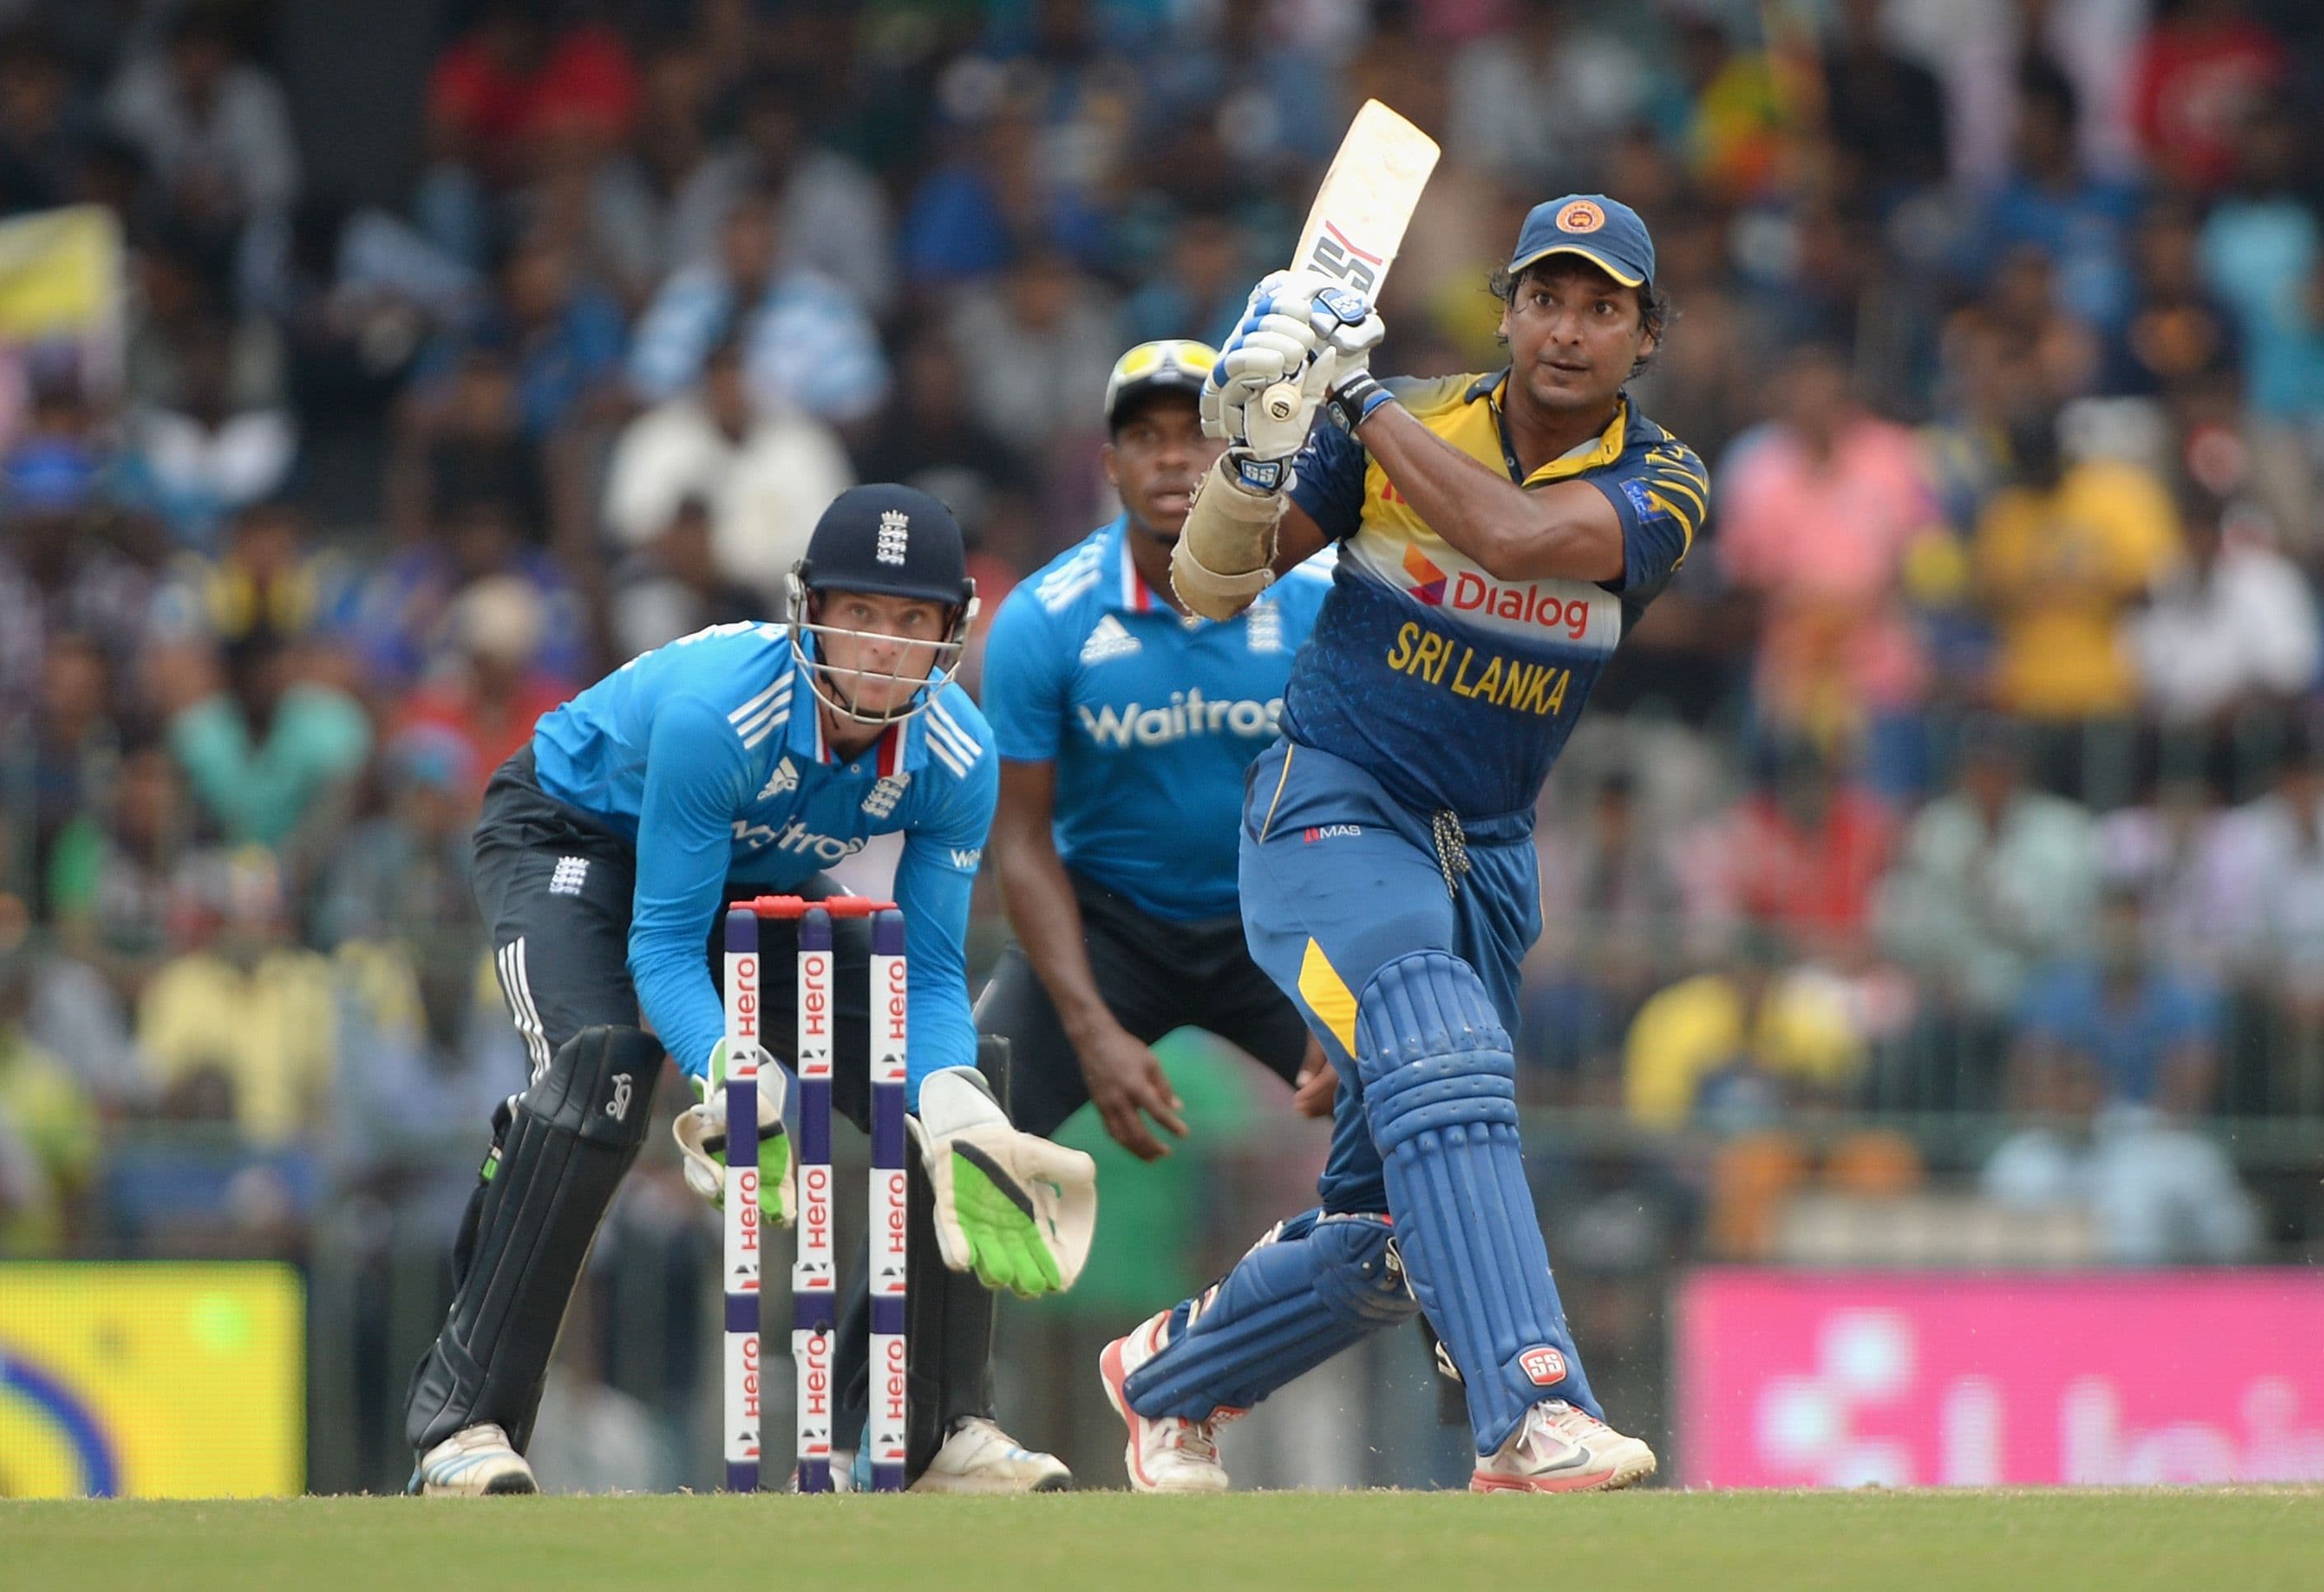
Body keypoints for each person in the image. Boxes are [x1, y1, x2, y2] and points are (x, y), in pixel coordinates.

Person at [1104, 195, 1708, 1493]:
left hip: (1481, 859)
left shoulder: (1662, 482)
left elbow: (1515, 536)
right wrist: (1258, 459)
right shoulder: (1401, 421)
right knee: (1438, 1033)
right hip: (1331, 799)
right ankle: (1536, 1414)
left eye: (1602, 307)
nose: (1567, 329)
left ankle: (1168, 1381)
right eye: (1545, 298)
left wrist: (1348, 392)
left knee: (1388, 1233)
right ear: (1505, 310)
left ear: (1645, 336)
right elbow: (1204, 586)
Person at [404, 485, 1095, 1496]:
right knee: (592, 1077)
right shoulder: (724, 715)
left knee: (962, 1085)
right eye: (858, 612)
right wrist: (733, 1067)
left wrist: (949, 1103)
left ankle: (929, 1430)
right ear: (809, 609)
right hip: (575, 834)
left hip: (750, 861)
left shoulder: (958, 754)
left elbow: (936, 972)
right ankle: (461, 1430)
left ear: (952, 632)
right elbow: (666, 948)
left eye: (912, 622)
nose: (882, 646)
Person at [980, 339, 1333, 1163]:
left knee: (1419, 1113)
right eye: (1146, 437)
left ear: (1242, 447)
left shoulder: (1318, 597)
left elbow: (1378, 800)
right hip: (1109, 930)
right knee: (952, 1142)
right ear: (1109, 463)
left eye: (1199, 431)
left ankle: (1436, 1297)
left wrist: (1346, 994)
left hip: (1279, 923)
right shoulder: (1044, 619)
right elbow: (1021, 839)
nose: (1174, 456)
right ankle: (880, 1301)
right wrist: (1090, 1029)